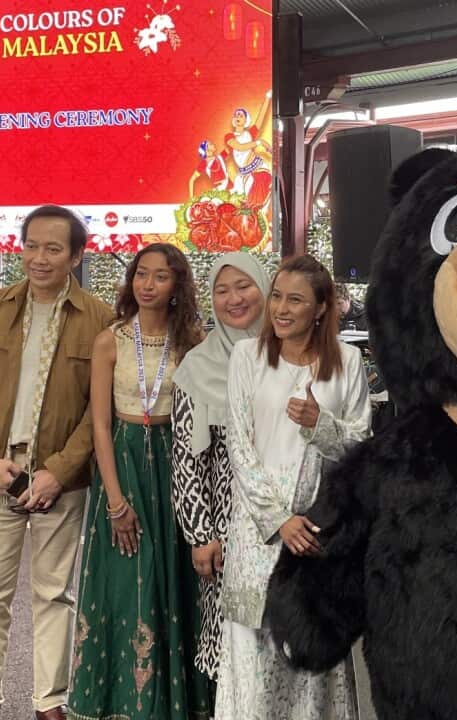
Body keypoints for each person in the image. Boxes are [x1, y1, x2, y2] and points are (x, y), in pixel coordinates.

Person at [0, 205, 112, 720]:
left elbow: (98, 409)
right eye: (31, 246)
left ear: (76, 255)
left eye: (53, 248)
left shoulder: (99, 317)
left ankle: (51, 701)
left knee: (53, 595)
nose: (39, 258)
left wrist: (59, 471)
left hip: (58, 482)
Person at [217, 254, 370, 720]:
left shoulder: (347, 361)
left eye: (296, 300)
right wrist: (278, 519)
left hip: (318, 532)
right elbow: (237, 444)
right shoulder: (247, 356)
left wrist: (320, 425)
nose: (281, 308)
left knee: (313, 654)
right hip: (258, 530)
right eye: (278, 296)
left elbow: (361, 447)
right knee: (253, 657)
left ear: (321, 308)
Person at [68, 243, 212, 720]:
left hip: (177, 462)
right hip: (123, 462)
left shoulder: (192, 338)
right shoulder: (110, 339)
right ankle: (120, 702)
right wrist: (114, 499)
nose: (148, 285)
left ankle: (178, 703)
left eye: (161, 276)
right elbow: (100, 425)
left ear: (177, 286)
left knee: (174, 576)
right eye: (141, 274)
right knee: (126, 583)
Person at [171, 252, 270, 684]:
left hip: (290, 523)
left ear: (265, 288)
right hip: (226, 531)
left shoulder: (292, 355)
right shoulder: (198, 366)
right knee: (234, 645)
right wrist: (200, 534)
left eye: (244, 285)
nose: (233, 298)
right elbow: (187, 461)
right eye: (221, 290)